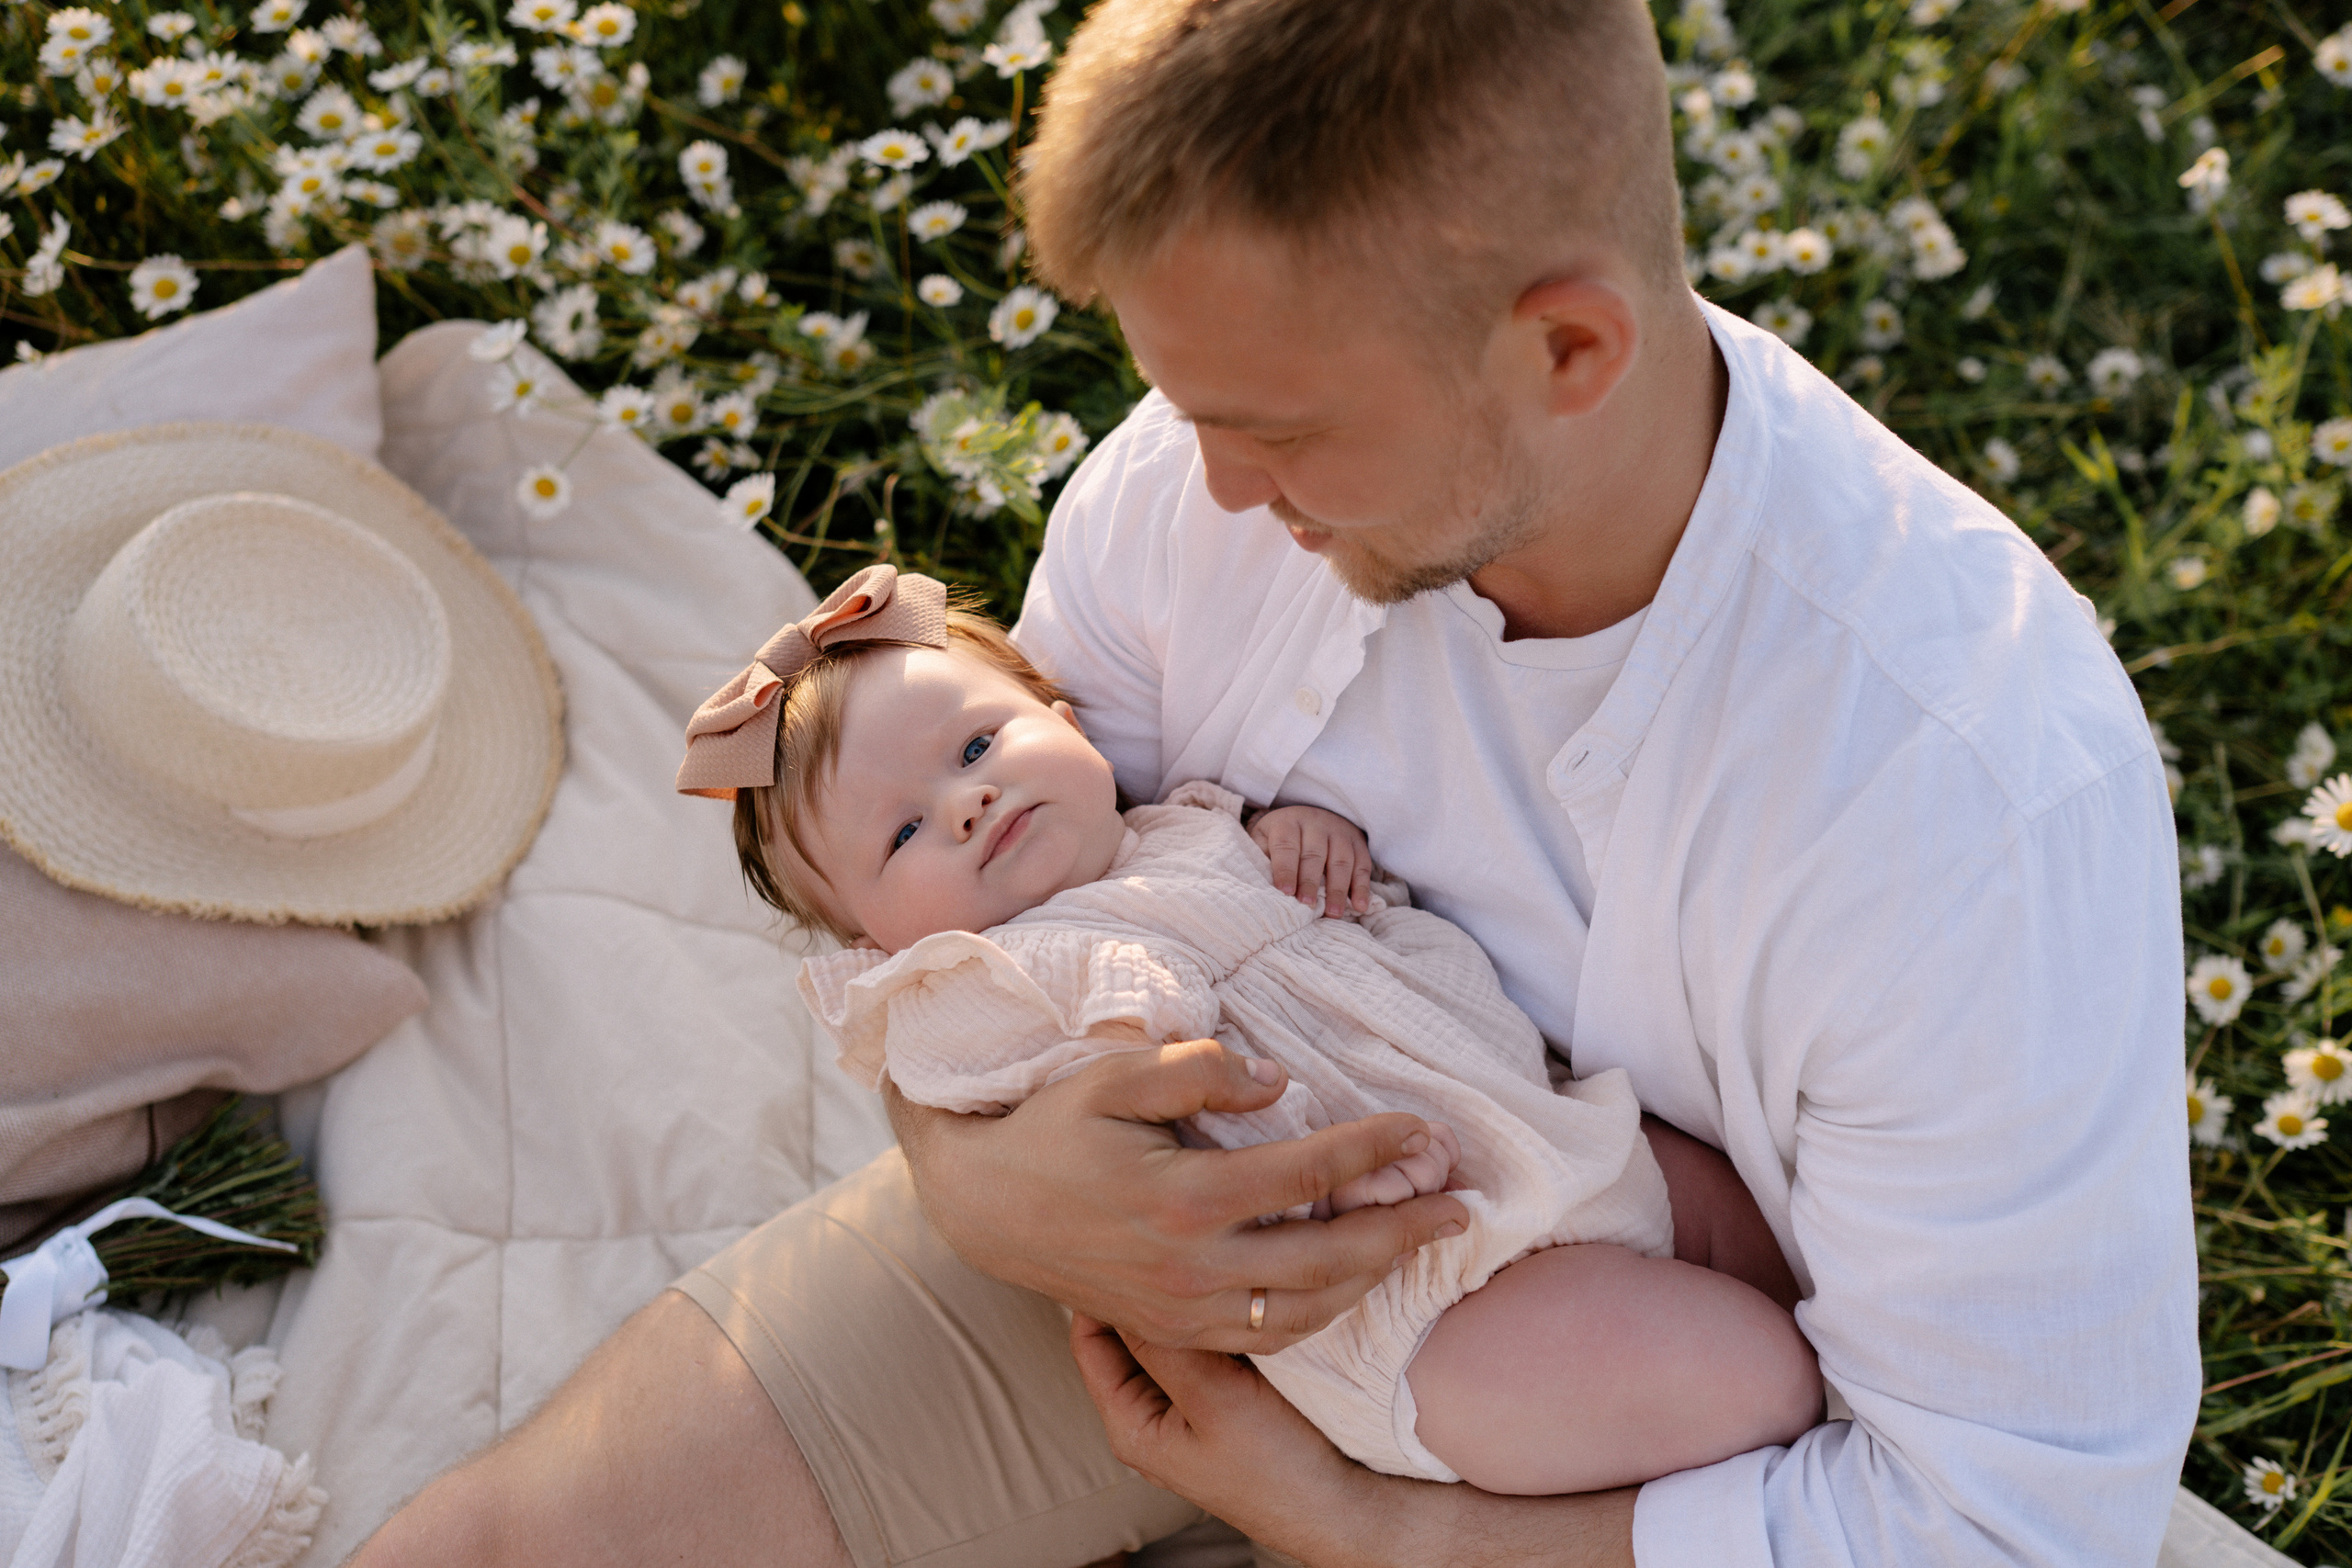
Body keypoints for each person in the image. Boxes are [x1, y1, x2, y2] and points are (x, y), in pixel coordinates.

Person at [351, 0, 2199, 1564]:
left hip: (1652, 1434)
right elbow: (1011, 911)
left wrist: (1366, 1522)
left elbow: (1991, 1522)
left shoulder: (1965, 805)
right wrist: (999, 1193)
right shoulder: (1197, 476)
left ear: (1566, 348)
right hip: (1161, 1265)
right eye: (1183, 405)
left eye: (1275, 431)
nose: (1214, 491)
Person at [668, 564, 1821, 1494]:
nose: (965, 801)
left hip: (1549, 1140)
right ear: (876, 946)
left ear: (1066, 726)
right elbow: (1024, 1102)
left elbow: (1310, 905)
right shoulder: (975, 985)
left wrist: (1304, 834)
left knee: (1782, 1240)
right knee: (1758, 1377)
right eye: (902, 834)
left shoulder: (1192, 826)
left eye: (977, 749)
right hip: (1415, 1304)